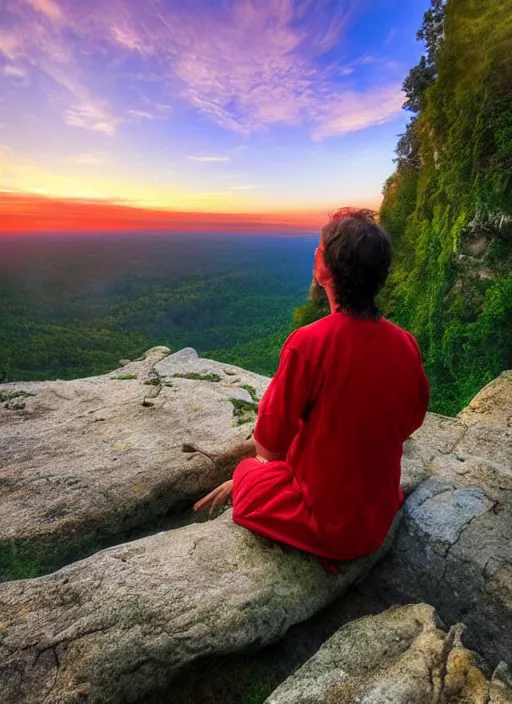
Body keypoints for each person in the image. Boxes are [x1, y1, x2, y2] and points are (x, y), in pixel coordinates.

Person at [194, 208, 430, 568]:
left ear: (324, 270)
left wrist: (254, 473)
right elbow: (410, 422)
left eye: (319, 250)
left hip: (332, 528)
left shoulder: (308, 345)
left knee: (246, 473)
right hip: (378, 513)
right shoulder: (406, 344)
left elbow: (269, 446)